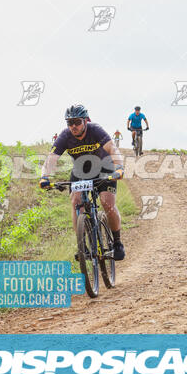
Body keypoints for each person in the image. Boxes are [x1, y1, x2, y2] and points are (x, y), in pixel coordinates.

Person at [39, 104, 125, 260]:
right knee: (75, 200)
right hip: (81, 170)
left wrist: (119, 168)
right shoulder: (65, 136)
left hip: (104, 167)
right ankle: (82, 245)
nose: (73, 126)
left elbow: (112, 149)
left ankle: (117, 243)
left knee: (107, 202)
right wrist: (44, 176)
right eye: (69, 123)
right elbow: (51, 159)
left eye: (77, 122)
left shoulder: (95, 130)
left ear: (86, 121)